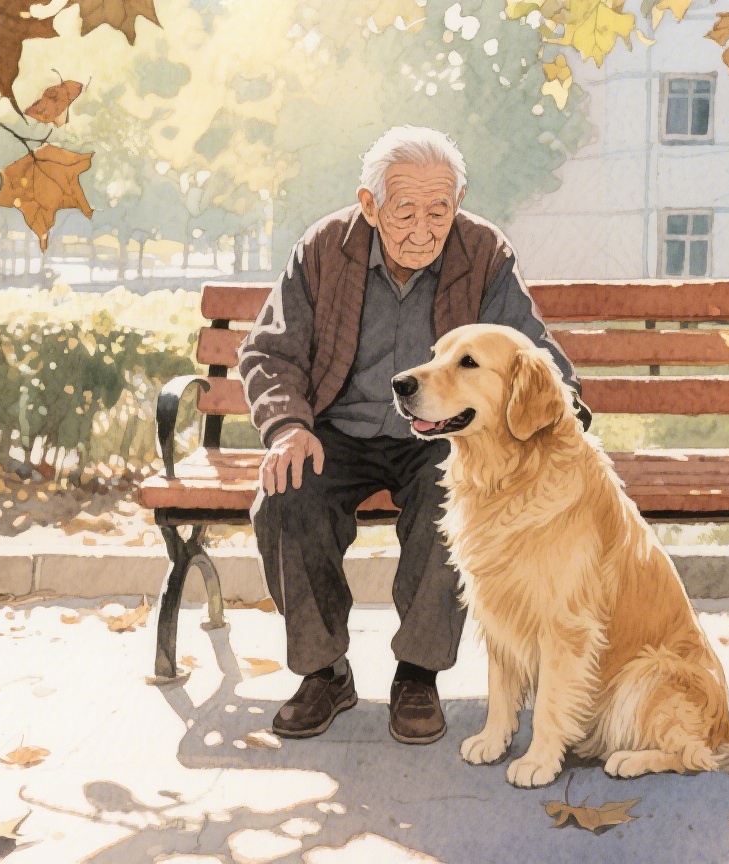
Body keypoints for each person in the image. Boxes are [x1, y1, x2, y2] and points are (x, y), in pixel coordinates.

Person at [238, 126, 588, 743]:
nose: (424, 230)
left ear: (459, 203)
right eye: (405, 212)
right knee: (286, 497)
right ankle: (324, 672)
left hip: (441, 435)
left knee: (454, 498)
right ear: (370, 205)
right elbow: (271, 352)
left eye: (439, 210)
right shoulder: (324, 247)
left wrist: (566, 422)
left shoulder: (482, 251)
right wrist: (288, 426)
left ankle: (418, 674)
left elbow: (530, 350)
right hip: (336, 429)